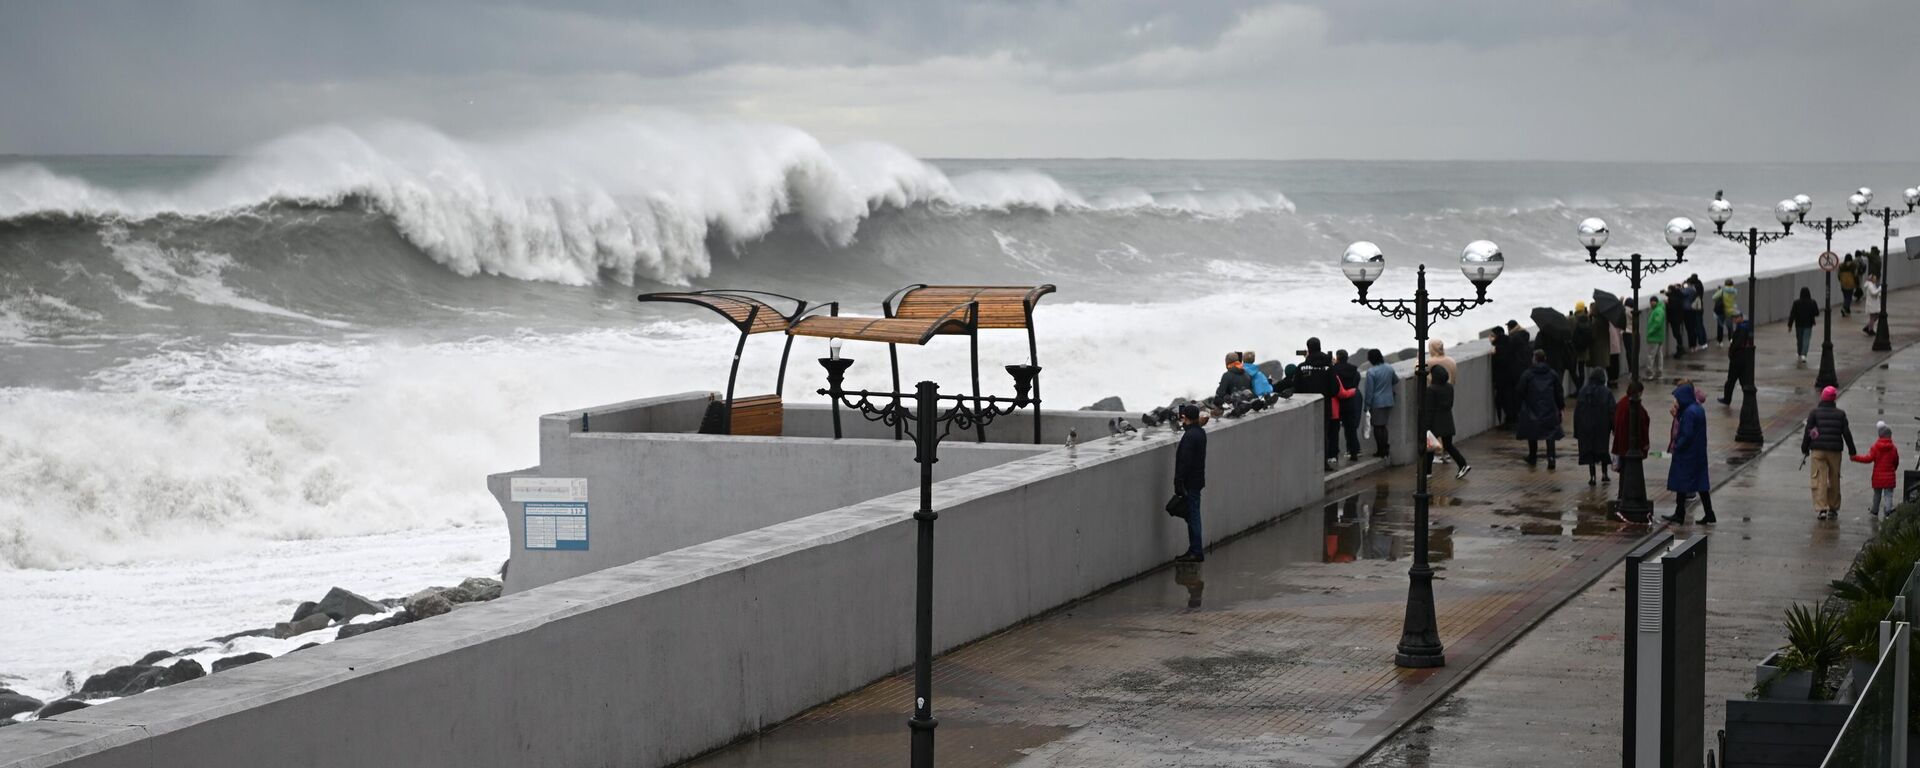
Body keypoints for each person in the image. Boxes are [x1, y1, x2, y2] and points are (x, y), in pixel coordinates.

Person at [1664, 382, 1717, 525]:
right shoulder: (1697, 409)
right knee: (1701, 484)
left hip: (1687, 454)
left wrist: (1677, 446)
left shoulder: (1689, 413)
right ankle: (1709, 513)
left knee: (1681, 482)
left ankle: (1680, 513)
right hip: (1698, 453)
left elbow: (1686, 434)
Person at [1803, 385, 1856, 520]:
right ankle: (1833, 508)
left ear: (1822, 397)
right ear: (1834, 399)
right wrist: (1852, 451)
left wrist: (1805, 448)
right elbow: (1846, 433)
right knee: (1834, 478)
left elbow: (1808, 431)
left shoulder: (1814, 413)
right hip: (1835, 450)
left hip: (1818, 449)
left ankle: (1822, 508)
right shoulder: (1840, 414)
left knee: (1820, 478)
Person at [1516, 349, 1565, 468]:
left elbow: (1520, 390)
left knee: (1532, 432)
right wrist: (1561, 407)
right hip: (1549, 408)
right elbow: (1559, 392)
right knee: (1550, 434)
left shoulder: (1528, 374)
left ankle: (1532, 457)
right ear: (1545, 359)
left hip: (1531, 407)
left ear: (1534, 359)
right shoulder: (1552, 373)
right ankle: (1551, 458)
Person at [1423, 364, 1471, 479]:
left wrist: (1426, 426)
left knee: (1429, 447)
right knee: (1449, 445)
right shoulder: (1449, 387)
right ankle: (1463, 464)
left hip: (1435, 421)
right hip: (1448, 420)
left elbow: (1429, 409)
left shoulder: (1431, 390)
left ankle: (1427, 472)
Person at [1173, 404, 1208, 562]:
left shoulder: (1190, 436)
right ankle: (1194, 549)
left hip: (1190, 482)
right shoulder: (1200, 433)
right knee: (1193, 515)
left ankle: (1196, 551)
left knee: (1193, 516)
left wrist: (1179, 480)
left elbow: (1184, 461)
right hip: (1197, 479)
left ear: (1184, 417)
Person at [1613, 380, 1651, 521]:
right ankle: (1626, 498)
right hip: (1630, 447)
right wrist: (1644, 445)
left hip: (1621, 446)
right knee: (1628, 474)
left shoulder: (1621, 404)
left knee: (1623, 473)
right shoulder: (1634, 407)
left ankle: (1621, 496)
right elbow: (1642, 426)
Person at [1574, 369, 1615, 485]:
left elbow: (1577, 412)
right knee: (1603, 449)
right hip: (1602, 426)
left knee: (1589, 451)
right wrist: (1614, 427)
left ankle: (1592, 477)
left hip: (1586, 426)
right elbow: (1612, 411)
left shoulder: (1583, 391)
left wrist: (1577, 430)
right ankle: (1604, 474)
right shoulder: (1606, 392)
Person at [1852, 421, 1901, 517]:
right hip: (1889, 477)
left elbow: (1868, 459)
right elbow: (1896, 461)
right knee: (1888, 495)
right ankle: (1888, 511)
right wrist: (1893, 469)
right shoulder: (1893, 448)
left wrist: (1855, 458)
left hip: (1877, 477)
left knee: (1877, 495)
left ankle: (1875, 510)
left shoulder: (1875, 447)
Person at [1362, 348, 1398, 458]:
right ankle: (1385, 448)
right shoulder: (1389, 367)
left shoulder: (1371, 372)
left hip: (1377, 403)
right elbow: (1395, 380)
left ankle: (1381, 450)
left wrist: (1367, 405)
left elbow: (1369, 391)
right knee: (1383, 426)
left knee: (1377, 427)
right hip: (1389, 400)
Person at [1717, 310, 1753, 405]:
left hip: (1737, 358)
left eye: (1736, 317)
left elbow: (1737, 343)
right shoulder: (1745, 326)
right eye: (1733, 318)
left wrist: (1731, 352)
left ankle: (1727, 399)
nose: (1734, 319)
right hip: (1743, 358)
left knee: (1731, 380)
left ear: (1740, 317)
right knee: (1743, 381)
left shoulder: (1741, 328)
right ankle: (1748, 399)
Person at [1333, 349, 1363, 461]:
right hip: (1351, 400)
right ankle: (1353, 451)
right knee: (1351, 429)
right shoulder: (1354, 370)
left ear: (1338, 358)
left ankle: (1334, 454)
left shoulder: (1334, 370)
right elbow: (1356, 383)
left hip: (1338, 401)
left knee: (1334, 429)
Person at [1503, 321, 1532, 428]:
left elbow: (1508, 354)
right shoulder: (1525, 336)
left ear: (1510, 328)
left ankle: (1516, 419)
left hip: (1515, 371)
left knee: (1515, 396)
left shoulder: (1513, 338)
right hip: (1525, 369)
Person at [1489, 325, 1514, 429]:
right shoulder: (1508, 343)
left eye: (1492, 335)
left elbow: (1502, 361)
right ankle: (1509, 420)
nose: (1490, 337)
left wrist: (1495, 354)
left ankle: (1509, 421)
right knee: (1507, 399)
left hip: (1502, 379)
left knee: (1504, 400)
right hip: (1509, 377)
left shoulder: (1500, 347)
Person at [1789, 287, 1820, 367]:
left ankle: (1799, 354)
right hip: (1808, 324)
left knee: (1799, 340)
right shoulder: (1812, 302)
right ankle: (1803, 355)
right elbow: (1817, 313)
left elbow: (1792, 314)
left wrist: (1790, 325)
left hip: (1798, 324)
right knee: (1806, 339)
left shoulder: (1796, 303)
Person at [1644, 296, 1668, 379]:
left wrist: (1650, 331)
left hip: (1654, 337)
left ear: (1655, 302)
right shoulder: (1659, 309)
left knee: (1651, 356)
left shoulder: (1657, 311)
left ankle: (1650, 373)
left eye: (1652, 302)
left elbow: (1657, 323)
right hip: (1658, 337)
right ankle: (1659, 372)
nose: (1650, 303)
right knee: (1658, 355)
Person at [1572, 302, 1594, 381]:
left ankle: (1579, 386)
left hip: (1576, 348)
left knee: (1573, 369)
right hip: (1585, 348)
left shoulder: (1574, 319)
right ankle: (1581, 386)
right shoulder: (1587, 319)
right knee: (1581, 369)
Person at [1712, 279, 1738, 344]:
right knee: (1730, 327)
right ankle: (1731, 340)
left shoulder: (1722, 291)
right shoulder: (1735, 291)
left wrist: (1719, 291)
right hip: (1731, 311)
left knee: (1720, 326)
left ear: (1725, 284)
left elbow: (1714, 298)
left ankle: (1720, 341)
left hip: (1722, 311)